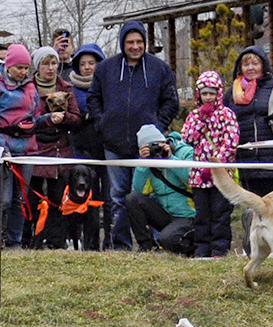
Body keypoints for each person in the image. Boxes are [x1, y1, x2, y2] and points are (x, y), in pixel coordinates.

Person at [88, 21, 179, 249]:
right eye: (130, 42)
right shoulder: (105, 69)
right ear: (122, 43)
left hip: (149, 146)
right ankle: (121, 244)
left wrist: (157, 128)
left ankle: (159, 243)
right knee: (118, 196)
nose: (135, 46)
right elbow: (93, 99)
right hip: (114, 144)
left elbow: (171, 101)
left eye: (139, 42)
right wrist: (103, 123)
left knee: (153, 194)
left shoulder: (159, 69)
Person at [0, 44, 42, 247]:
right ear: (9, 66)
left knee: (20, 199)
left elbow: (36, 114)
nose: (23, 72)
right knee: (3, 200)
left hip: (27, 149)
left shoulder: (31, 87)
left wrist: (46, 120)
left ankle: (14, 241)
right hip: (3, 150)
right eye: (19, 68)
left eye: (26, 68)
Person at [225, 45, 273, 201]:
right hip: (246, 162)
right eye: (246, 64)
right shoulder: (231, 94)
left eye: (255, 64)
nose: (250, 68)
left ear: (263, 65)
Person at [26, 45, 83, 247]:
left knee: (57, 202)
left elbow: (77, 120)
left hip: (60, 152)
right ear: (37, 66)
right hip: (34, 151)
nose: (50, 68)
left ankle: (55, 243)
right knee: (31, 201)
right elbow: (24, 119)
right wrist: (47, 119)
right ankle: (29, 241)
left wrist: (64, 117)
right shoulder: (28, 88)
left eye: (53, 63)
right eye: (45, 63)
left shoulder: (66, 88)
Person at [182, 70, 240, 258]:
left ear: (219, 93)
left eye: (212, 93)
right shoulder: (194, 116)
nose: (208, 97)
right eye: (204, 93)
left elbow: (231, 141)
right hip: (199, 176)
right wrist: (201, 119)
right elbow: (187, 138)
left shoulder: (227, 115)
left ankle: (219, 250)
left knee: (220, 214)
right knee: (201, 215)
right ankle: (202, 249)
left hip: (220, 174)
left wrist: (216, 165)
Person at [125, 124, 196, 255]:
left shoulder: (185, 152)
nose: (156, 150)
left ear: (165, 142)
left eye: (158, 145)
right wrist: (143, 163)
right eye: (150, 147)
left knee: (167, 240)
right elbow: (140, 190)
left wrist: (170, 159)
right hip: (165, 213)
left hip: (187, 215)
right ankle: (147, 247)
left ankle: (191, 247)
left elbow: (191, 179)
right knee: (132, 199)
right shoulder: (149, 161)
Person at [65, 43, 106, 249]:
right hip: (79, 148)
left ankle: (98, 243)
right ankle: (75, 241)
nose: (87, 67)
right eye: (83, 64)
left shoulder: (107, 86)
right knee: (78, 197)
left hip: (102, 148)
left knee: (100, 199)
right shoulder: (70, 88)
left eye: (92, 63)